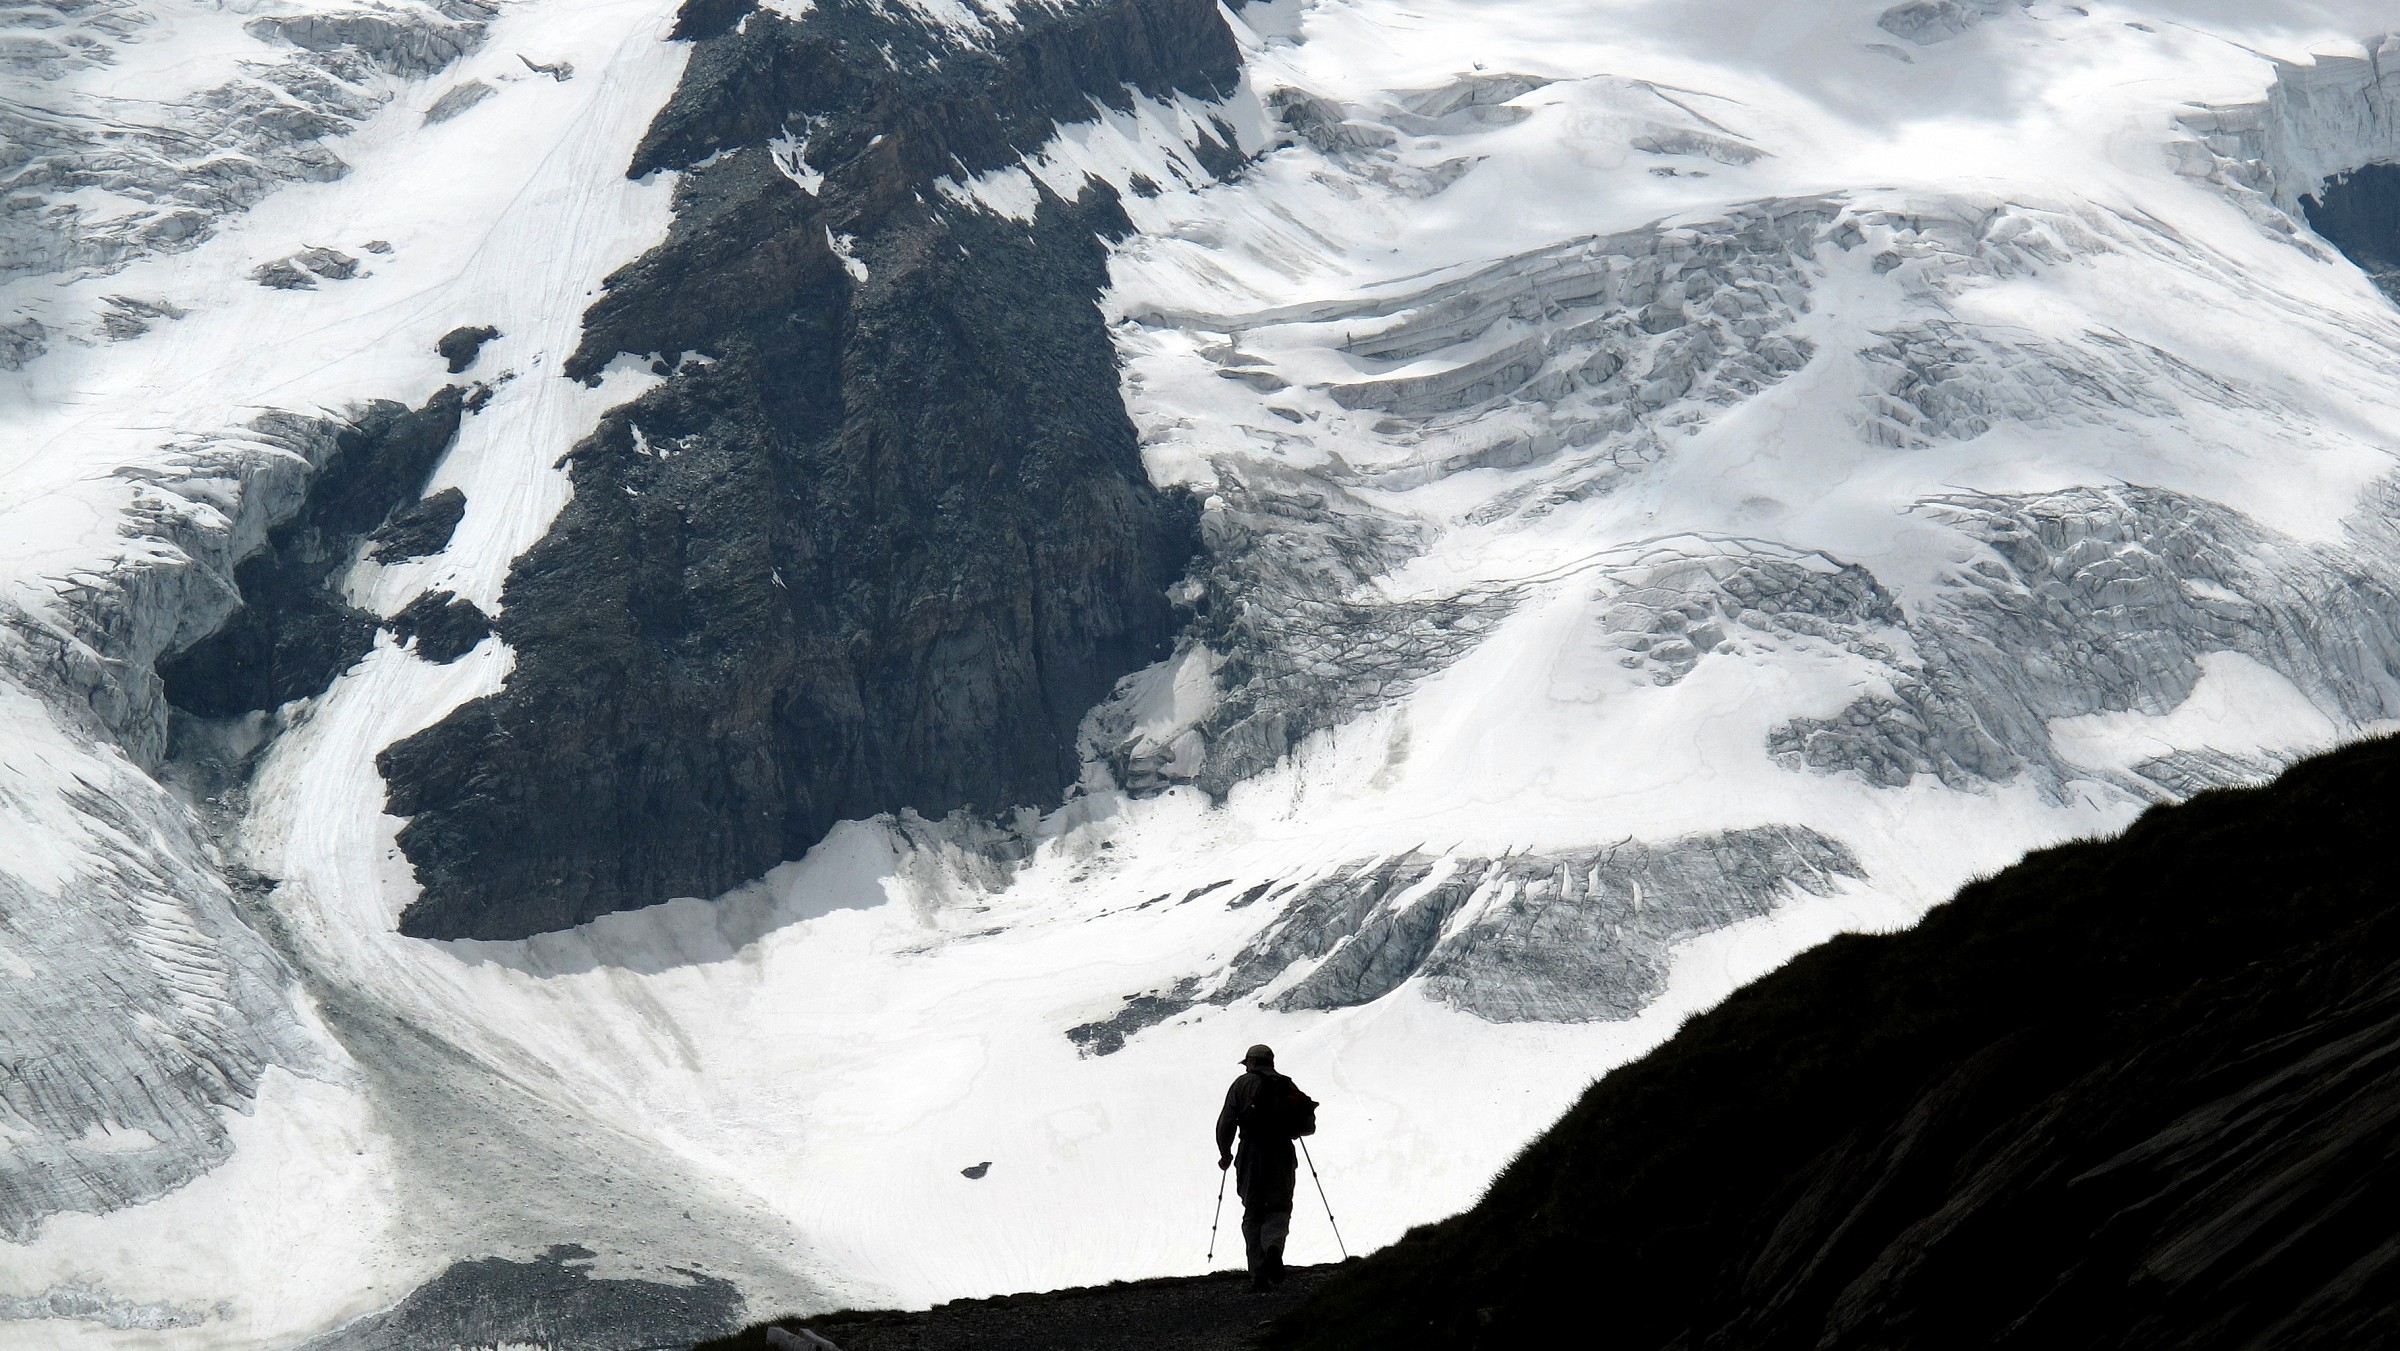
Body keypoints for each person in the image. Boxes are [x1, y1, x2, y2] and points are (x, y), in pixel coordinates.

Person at [1215, 1043, 1313, 1291]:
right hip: (1281, 1153)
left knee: (1253, 1211)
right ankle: (1273, 1247)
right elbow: (1303, 1123)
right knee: (1279, 1206)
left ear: (1252, 1062)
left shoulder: (1242, 1084)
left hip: (1252, 1152)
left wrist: (1225, 1154)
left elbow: (1226, 1122)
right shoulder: (1286, 1085)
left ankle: (1259, 1275)